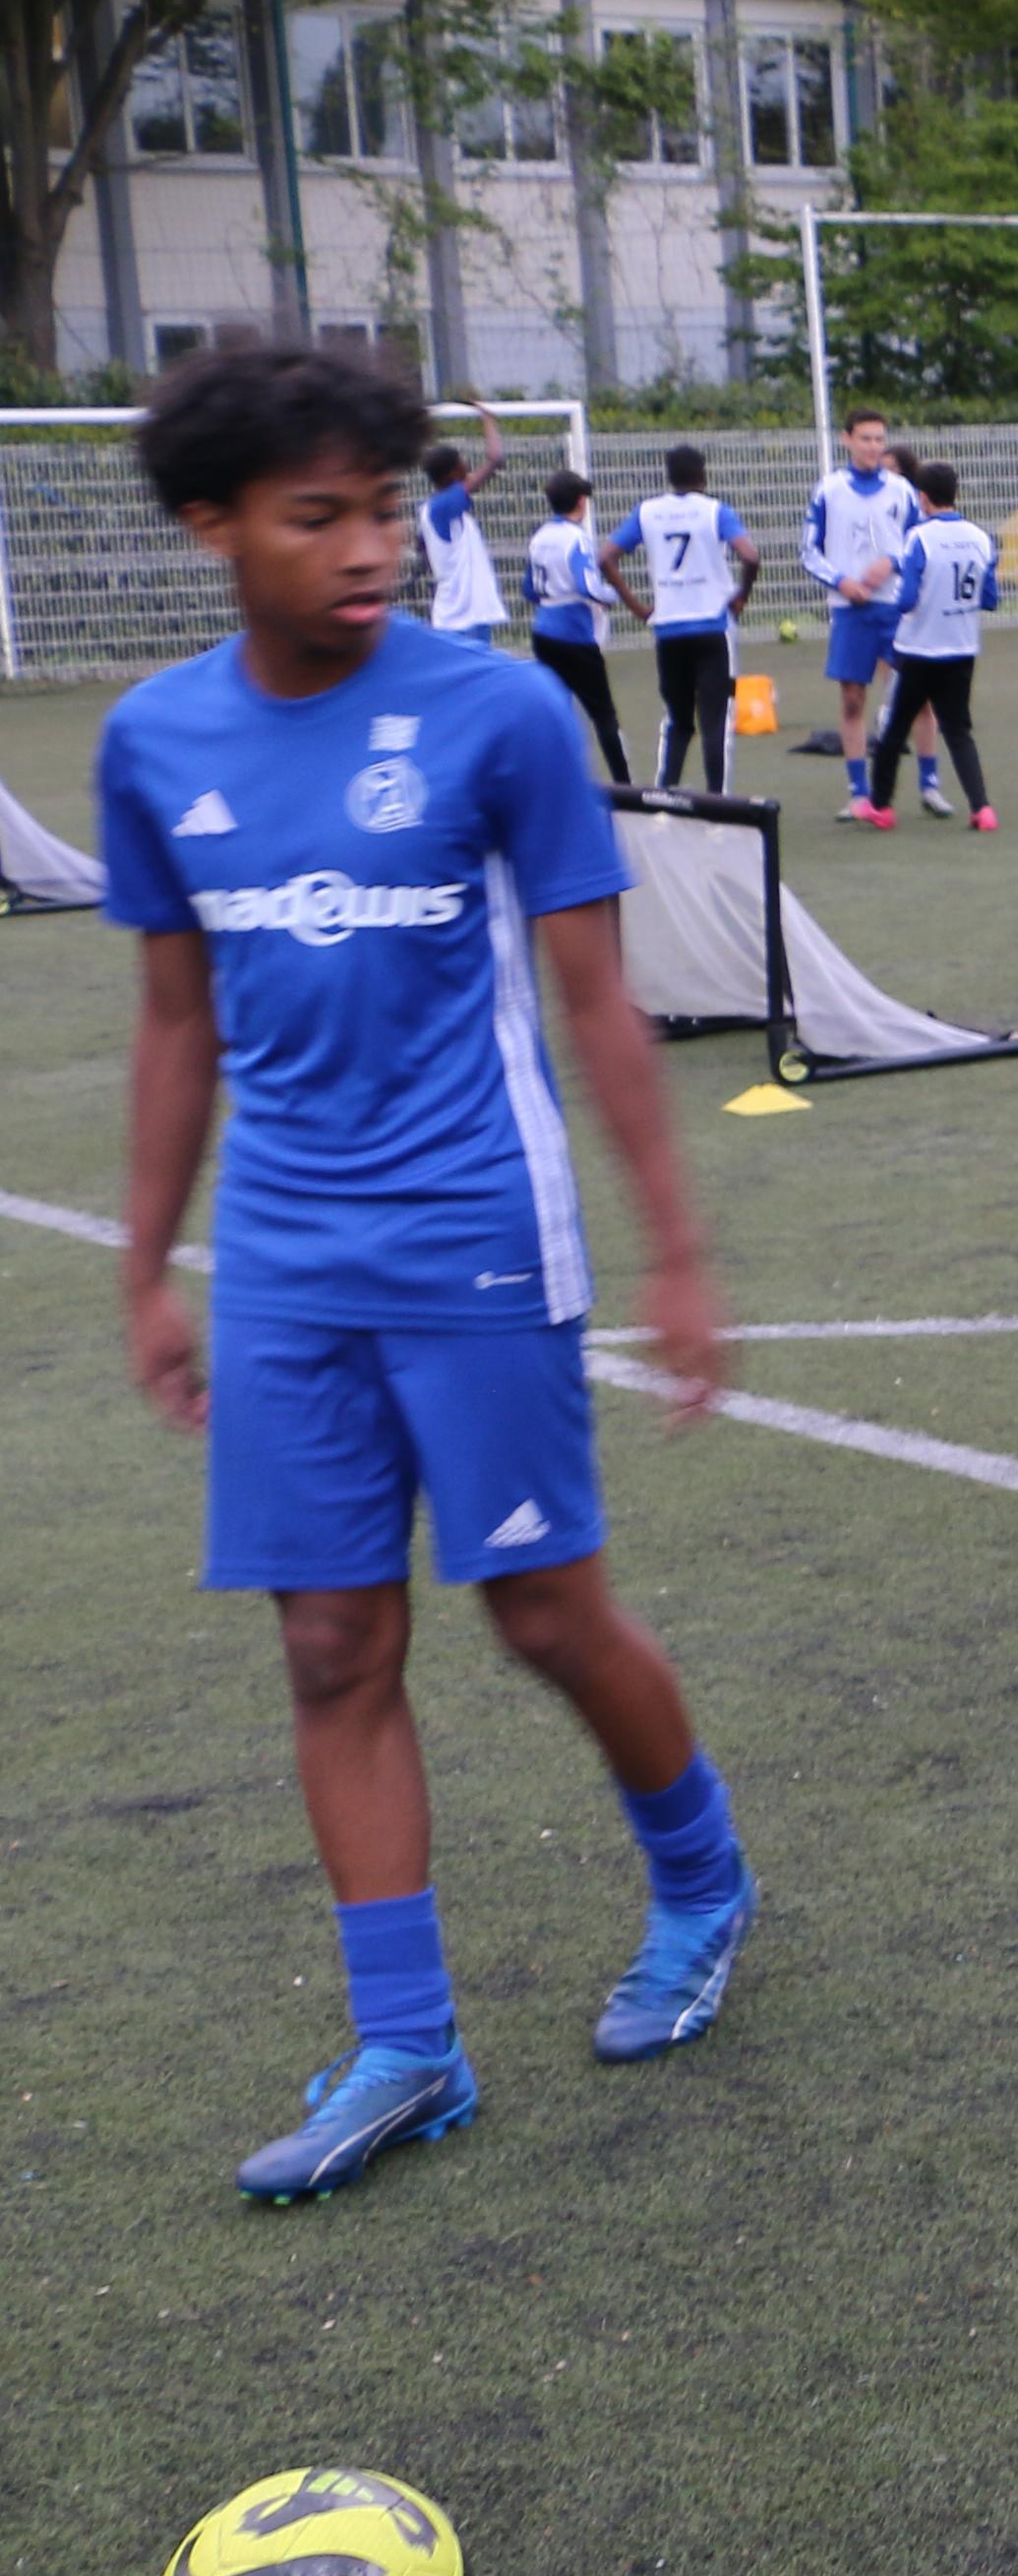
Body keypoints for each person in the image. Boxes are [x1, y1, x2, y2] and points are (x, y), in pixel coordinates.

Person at [93, 345, 755, 2207]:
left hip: (479, 1231)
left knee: (542, 1616)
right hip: (287, 1260)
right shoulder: (154, 742)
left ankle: (703, 1887)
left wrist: (679, 1252)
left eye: (387, 507)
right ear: (214, 527)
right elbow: (170, 1027)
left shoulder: (503, 719)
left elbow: (599, 1000)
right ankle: (408, 2047)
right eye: (322, 516)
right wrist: (147, 1267)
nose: (371, 545)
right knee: (327, 1642)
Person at [807, 410, 943, 818]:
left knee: (919, 698)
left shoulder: (902, 490)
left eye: (879, 439)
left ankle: (929, 785)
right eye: (865, 438)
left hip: (895, 608)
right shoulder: (828, 490)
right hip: (850, 609)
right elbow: (808, 550)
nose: (873, 446)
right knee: (852, 699)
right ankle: (859, 794)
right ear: (847, 439)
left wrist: (892, 563)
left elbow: (921, 540)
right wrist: (841, 581)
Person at [859, 460, 1004, 834]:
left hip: (920, 649)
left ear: (922, 498)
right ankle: (982, 808)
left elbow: (906, 599)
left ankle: (880, 807)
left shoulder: (919, 538)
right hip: (962, 647)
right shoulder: (980, 537)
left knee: (894, 730)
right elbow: (990, 598)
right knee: (958, 730)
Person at [604, 446, 758, 795]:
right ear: (703, 475)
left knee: (677, 718)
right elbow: (750, 555)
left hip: (668, 628)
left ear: (668, 476)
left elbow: (606, 556)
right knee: (715, 718)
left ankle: (664, 790)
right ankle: (717, 797)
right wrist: (741, 594)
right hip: (711, 625)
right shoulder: (715, 510)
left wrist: (637, 606)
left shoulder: (648, 512)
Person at [520, 469, 637, 784]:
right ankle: (625, 786)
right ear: (581, 502)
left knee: (556, 710)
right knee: (603, 715)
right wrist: (612, 596)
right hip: (574, 637)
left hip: (543, 634)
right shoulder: (577, 539)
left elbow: (529, 589)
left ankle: (551, 781)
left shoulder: (539, 537)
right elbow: (588, 586)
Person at [414, 408, 509, 641]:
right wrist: (488, 419)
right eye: (462, 464)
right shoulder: (442, 506)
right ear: (450, 474)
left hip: (465, 613)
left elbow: (423, 548)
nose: (468, 468)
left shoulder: (436, 509)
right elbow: (495, 458)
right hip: (461, 616)